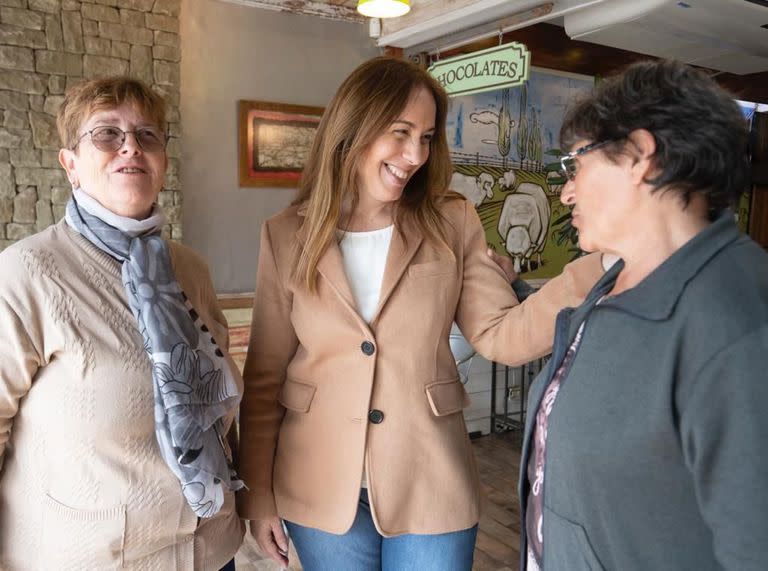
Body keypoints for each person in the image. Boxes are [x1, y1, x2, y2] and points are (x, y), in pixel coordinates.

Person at [237, 56, 605, 570]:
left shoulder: (451, 219)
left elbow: (502, 333)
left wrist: (600, 266)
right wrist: (257, 497)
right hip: (316, 479)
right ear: (354, 127)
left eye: (427, 137)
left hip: (429, 474)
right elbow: (264, 379)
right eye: (400, 132)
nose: (414, 154)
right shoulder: (285, 234)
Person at [519, 59, 768, 571]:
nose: (567, 191)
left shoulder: (737, 322)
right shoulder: (615, 286)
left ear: (639, 155)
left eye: (577, 164)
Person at [0, 77, 244, 570]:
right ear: (70, 164)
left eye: (147, 134)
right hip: (94, 558)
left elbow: (219, 406)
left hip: (210, 549)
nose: (130, 145)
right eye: (106, 133)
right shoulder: (27, 272)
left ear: (162, 163)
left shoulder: (190, 269)